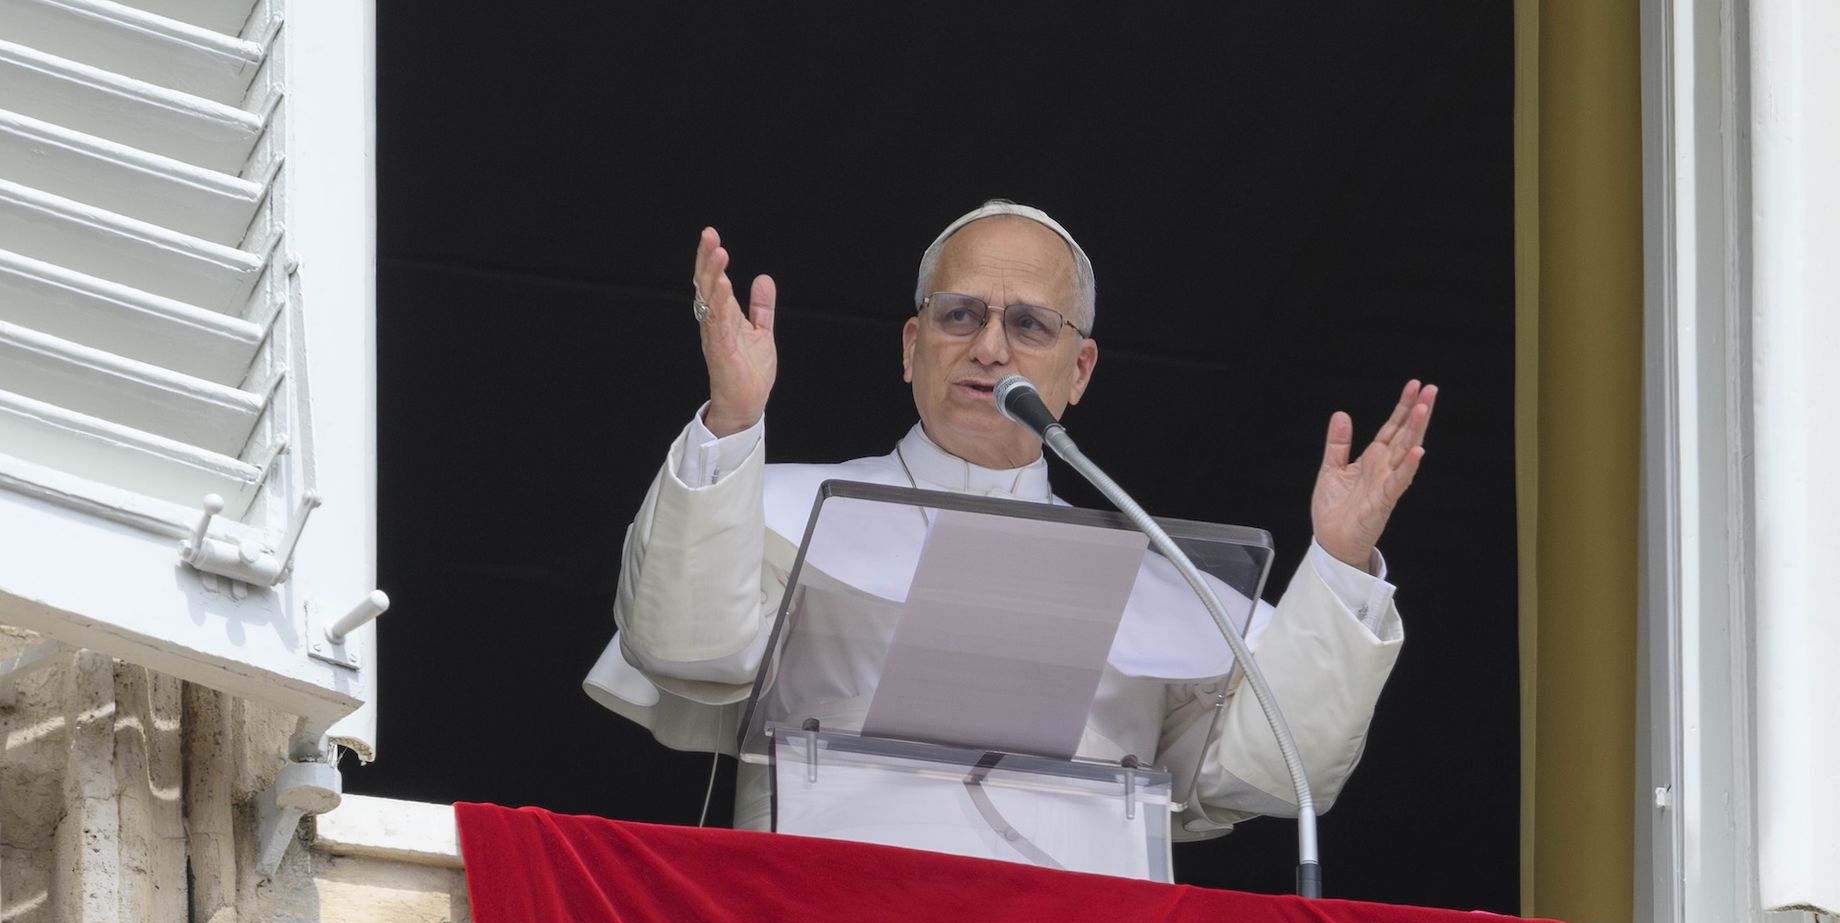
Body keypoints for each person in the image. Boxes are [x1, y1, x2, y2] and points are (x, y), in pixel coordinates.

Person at [584, 200, 1436, 842]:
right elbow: (685, 646)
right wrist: (732, 422)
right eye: (961, 316)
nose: (990, 348)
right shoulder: (774, 507)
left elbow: (1270, 773)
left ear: (1081, 370)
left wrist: (1341, 558)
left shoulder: (1164, 581)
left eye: (1029, 324)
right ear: (912, 346)